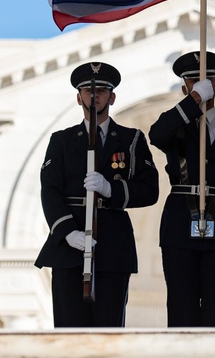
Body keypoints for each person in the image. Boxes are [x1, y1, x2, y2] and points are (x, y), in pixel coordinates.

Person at [35, 61, 159, 327]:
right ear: (78, 97)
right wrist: (68, 231)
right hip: (70, 245)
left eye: (101, 91)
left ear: (112, 97)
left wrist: (110, 189)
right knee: (69, 331)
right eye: (88, 91)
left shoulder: (131, 139)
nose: (94, 96)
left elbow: (150, 190)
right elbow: (50, 190)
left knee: (109, 329)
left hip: (113, 244)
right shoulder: (62, 140)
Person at [148, 51, 215, 327]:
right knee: (181, 309)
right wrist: (194, 100)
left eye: (207, 80)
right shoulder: (174, 125)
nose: (201, 85)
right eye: (193, 82)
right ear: (185, 87)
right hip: (179, 226)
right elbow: (156, 134)